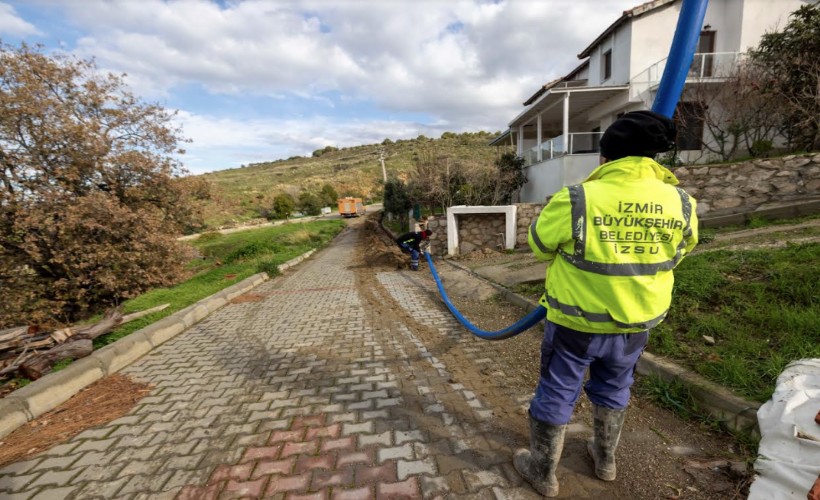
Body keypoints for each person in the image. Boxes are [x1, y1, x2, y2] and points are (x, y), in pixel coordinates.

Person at [514, 110, 699, 497]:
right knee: (616, 387)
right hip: (636, 324)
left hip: (575, 325)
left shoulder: (578, 198)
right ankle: (605, 459)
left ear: (606, 157)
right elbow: (679, 252)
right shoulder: (681, 202)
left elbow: (539, 245)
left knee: (559, 389)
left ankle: (543, 473)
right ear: (653, 158)